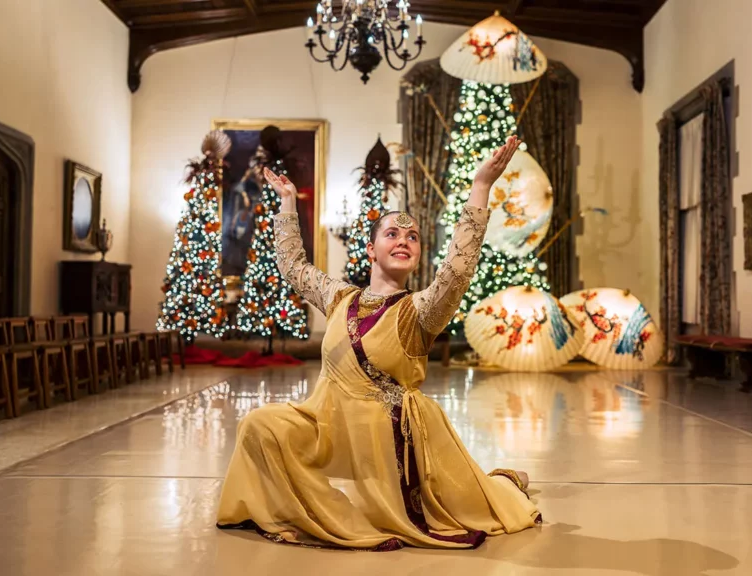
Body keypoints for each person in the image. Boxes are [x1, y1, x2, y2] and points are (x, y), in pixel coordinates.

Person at [216, 136, 540, 551]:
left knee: (479, 502)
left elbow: (457, 270)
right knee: (259, 424)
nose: (403, 239)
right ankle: (316, 514)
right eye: (392, 233)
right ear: (372, 249)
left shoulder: (423, 309)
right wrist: (287, 204)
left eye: (413, 236)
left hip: (391, 441)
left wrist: (480, 187)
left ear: (419, 254)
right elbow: (294, 267)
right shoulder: (339, 298)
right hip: (329, 426)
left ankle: (503, 487)